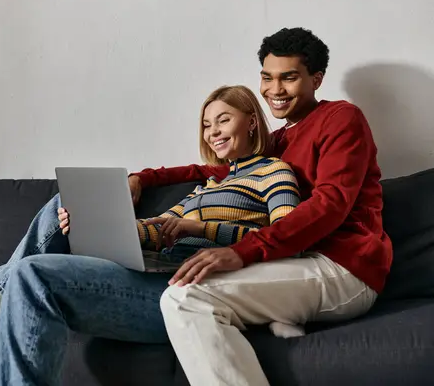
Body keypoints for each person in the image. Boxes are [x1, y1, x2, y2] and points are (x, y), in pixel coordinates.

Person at [0, 84, 300, 386]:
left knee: (31, 273)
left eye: (223, 120)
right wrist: (96, 222)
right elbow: (156, 229)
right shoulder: (209, 185)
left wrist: (203, 228)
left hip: (187, 292)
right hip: (155, 270)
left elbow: (286, 240)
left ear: (252, 121)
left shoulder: (274, 172)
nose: (213, 132)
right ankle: (1, 290)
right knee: (47, 239)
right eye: (207, 125)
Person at [119, 27, 393, 386]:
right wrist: (143, 177)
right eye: (267, 77)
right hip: (293, 263)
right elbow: (212, 169)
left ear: (317, 79)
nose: (274, 90)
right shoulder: (278, 141)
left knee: (187, 298)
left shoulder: (342, 118)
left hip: (344, 267)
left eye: (289, 78)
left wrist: (244, 251)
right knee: (185, 288)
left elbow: (331, 204)